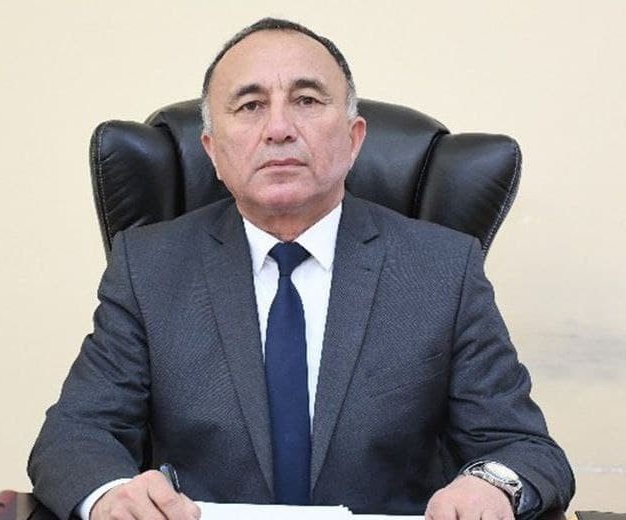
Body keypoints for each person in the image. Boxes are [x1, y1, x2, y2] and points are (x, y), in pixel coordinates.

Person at [28, 17, 574, 520]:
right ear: (212, 151)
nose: (279, 128)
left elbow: (524, 448)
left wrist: (492, 484)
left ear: (354, 139)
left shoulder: (441, 269)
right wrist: (110, 496)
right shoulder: (149, 267)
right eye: (250, 106)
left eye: (307, 100)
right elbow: (75, 435)